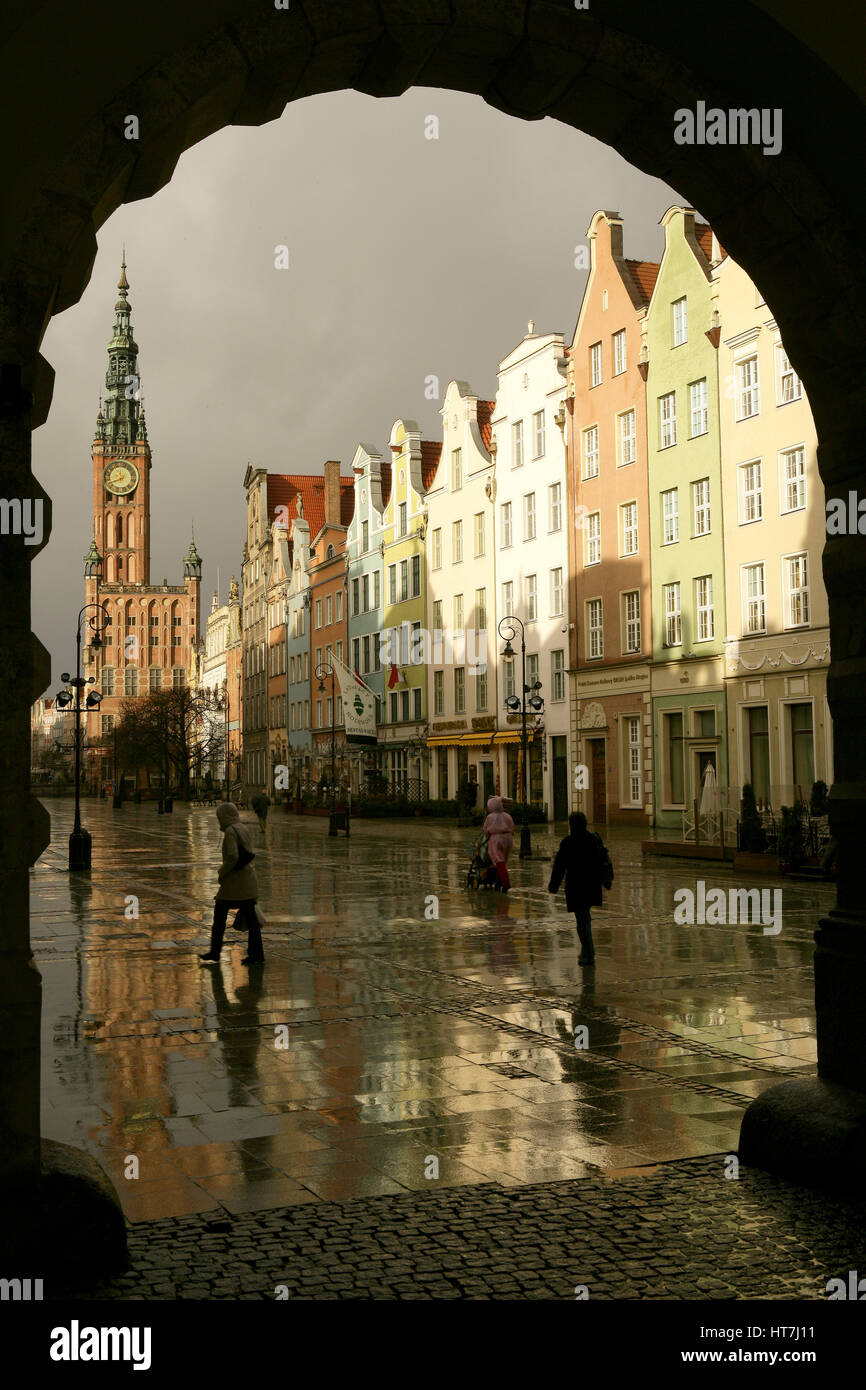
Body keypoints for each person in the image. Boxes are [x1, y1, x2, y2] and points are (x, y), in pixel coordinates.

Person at [200, 802, 264, 966]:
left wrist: (222, 872)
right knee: (252, 920)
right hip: (249, 880)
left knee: (220, 915)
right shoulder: (243, 828)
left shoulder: (230, 831)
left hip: (235, 883)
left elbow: (233, 857)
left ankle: (215, 952)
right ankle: (257, 954)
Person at [548, 811, 611, 966]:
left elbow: (559, 867)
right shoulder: (593, 840)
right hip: (592, 884)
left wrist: (554, 885)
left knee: (582, 920)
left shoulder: (568, 842)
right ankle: (586, 951)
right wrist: (606, 880)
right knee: (585, 917)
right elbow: (603, 861)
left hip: (576, 886)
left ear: (571, 825)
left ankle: (589, 953)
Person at [482, 794, 514, 891]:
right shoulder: (507, 816)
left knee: (499, 861)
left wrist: (487, 838)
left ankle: (505, 882)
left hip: (496, 838)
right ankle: (498, 882)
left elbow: (486, 830)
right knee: (504, 861)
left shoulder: (490, 817)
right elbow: (512, 826)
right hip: (508, 838)